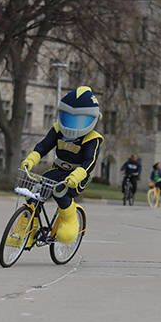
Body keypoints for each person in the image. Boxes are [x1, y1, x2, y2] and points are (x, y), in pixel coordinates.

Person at [20, 86, 103, 245]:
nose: (73, 125)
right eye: (69, 118)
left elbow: (89, 162)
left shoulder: (92, 138)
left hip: (77, 176)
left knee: (60, 191)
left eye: (79, 120)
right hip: (57, 170)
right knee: (34, 194)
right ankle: (29, 230)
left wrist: (76, 176)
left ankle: (70, 218)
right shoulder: (58, 130)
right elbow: (43, 146)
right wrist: (31, 159)